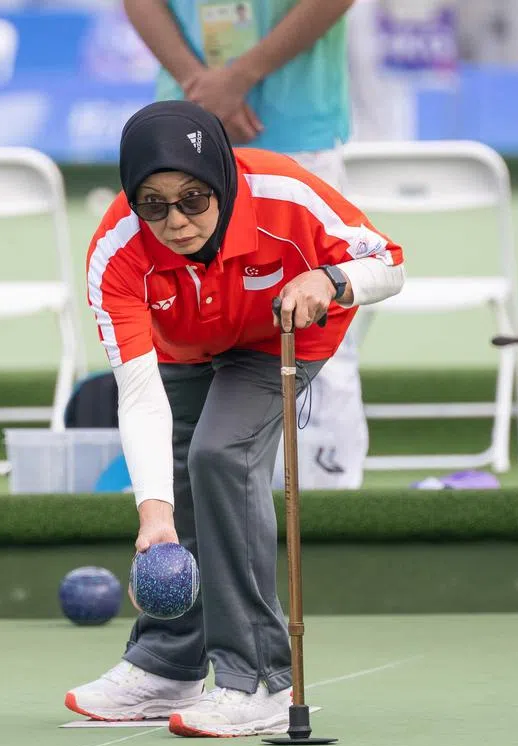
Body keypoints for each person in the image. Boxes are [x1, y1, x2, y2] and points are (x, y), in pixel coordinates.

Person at [67, 101, 405, 737]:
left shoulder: (287, 194)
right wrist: (155, 517)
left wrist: (331, 280)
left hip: (280, 337)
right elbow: (140, 397)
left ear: (221, 179)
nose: (176, 221)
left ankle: (260, 681)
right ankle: (168, 664)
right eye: (154, 204)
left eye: (194, 198)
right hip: (185, 342)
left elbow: (390, 264)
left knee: (220, 455)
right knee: (177, 470)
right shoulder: (116, 251)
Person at [122, 0, 367, 491]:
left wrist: (235, 79)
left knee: (316, 316)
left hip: (297, 130)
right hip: (182, 128)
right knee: (175, 325)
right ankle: (182, 496)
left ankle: (330, 494)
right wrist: (205, 86)